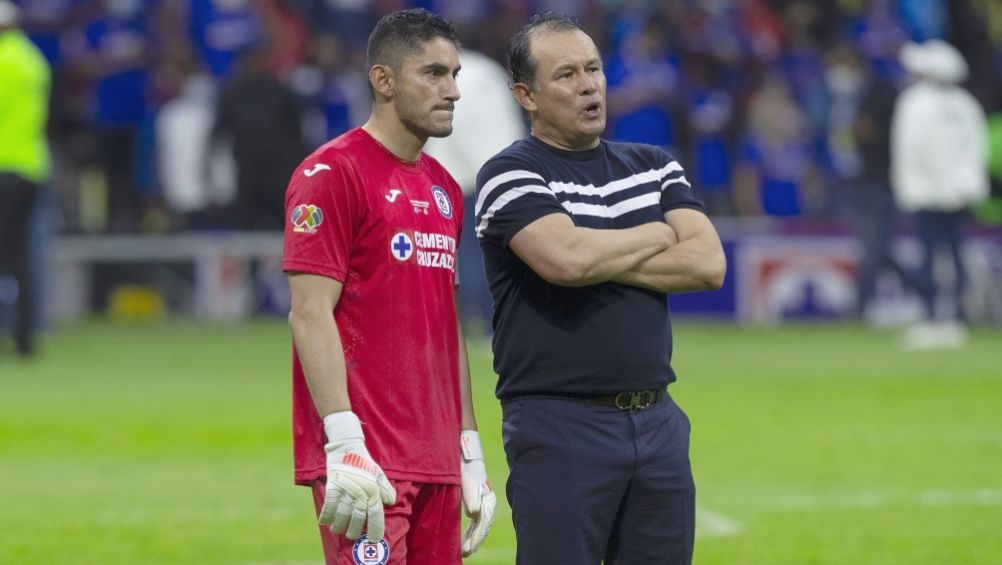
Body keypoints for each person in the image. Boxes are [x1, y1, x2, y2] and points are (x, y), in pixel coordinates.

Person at [476, 12, 726, 565]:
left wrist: (597, 252)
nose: (589, 84)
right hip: (560, 425)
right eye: (566, 74)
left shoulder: (653, 165)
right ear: (527, 95)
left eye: (594, 69)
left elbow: (708, 263)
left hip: (658, 419)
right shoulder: (510, 172)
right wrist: (659, 232)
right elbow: (563, 260)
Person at [282, 9, 495, 565]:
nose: (451, 91)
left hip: (437, 459)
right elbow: (308, 314)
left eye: (454, 75)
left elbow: (445, 329)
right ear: (383, 80)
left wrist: (468, 448)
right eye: (433, 74)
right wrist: (343, 439)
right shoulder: (332, 175)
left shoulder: (446, 188)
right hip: (366, 460)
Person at [891, 39, 989, 348]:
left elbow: (912, 151)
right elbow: (976, 152)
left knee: (933, 256)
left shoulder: (915, 102)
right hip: (958, 194)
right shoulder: (966, 104)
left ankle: (934, 319)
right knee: (953, 255)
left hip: (928, 195)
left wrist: (938, 186)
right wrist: (965, 186)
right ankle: (954, 319)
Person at [424, 48, 526, 336]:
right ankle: (492, 321)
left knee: (462, 254)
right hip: (498, 178)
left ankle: (472, 322)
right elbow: (513, 125)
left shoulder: (443, 76)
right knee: (493, 252)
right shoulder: (491, 72)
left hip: (455, 180)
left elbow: (446, 129)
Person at [0, 0, 50, 357]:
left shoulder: (4, 62)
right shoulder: (32, 59)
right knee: (22, 259)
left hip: (4, 167)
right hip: (32, 166)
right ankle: (25, 337)